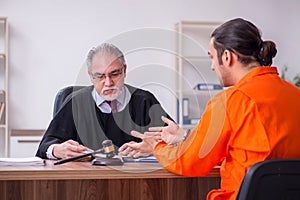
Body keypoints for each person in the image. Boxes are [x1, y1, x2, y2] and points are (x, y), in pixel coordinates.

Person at [118, 18, 300, 200]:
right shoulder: (295, 94)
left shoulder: (230, 100)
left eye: (212, 57)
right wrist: (185, 137)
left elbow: (188, 162)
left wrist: (157, 146)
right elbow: (254, 152)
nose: (212, 66)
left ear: (227, 57)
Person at [36, 43, 171, 159]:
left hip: (135, 183)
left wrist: (155, 147)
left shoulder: (144, 101)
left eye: (114, 74)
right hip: (84, 182)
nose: (108, 83)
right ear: (91, 76)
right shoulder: (75, 102)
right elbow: (45, 146)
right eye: (100, 76)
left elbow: (173, 142)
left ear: (124, 70)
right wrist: (57, 150)